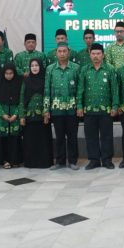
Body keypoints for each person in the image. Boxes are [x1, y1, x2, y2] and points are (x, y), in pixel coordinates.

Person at [78, 43, 119, 170]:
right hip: (89, 110)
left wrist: (115, 106)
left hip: (106, 110)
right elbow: (80, 89)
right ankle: (94, 160)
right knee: (91, 136)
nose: (95, 56)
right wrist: (79, 105)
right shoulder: (84, 70)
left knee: (107, 136)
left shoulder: (110, 69)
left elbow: (115, 90)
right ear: (90, 55)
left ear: (103, 55)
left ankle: (107, 160)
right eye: (93, 53)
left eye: (98, 53)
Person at [44, 42, 80, 171]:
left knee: (72, 136)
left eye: (64, 51)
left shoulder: (76, 68)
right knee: (59, 137)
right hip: (56, 109)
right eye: (60, 51)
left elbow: (80, 89)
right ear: (56, 53)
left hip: (72, 109)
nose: (62, 54)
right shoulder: (50, 69)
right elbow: (47, 89)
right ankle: (59, 161)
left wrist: (79, 106)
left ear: (68, 53)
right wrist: (46, 109)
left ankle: (73, 161)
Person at [20, 58, 53, 169]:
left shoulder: (45, 80)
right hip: (29, 116)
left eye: (36, 65)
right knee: (30, 140)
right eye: (32, 65)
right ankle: (30, 163)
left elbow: (48, 96)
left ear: (41, 67)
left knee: (43, 140)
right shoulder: (26, 81)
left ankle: (44, 162)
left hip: (42, 116)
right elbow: (22, 98)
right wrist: (22, 115)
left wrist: (46, 112)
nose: (34, 68)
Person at [0, 64, 22, 169]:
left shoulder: (18, 83)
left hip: (15, 114)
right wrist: (2, 114)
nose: (9, 75)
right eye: (6, 73)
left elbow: (21, 100)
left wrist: (16, 114)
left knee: (14, 139)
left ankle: (15, 160)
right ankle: (5, 160)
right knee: (3, 140)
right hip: (2, 115)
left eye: (11, 73)